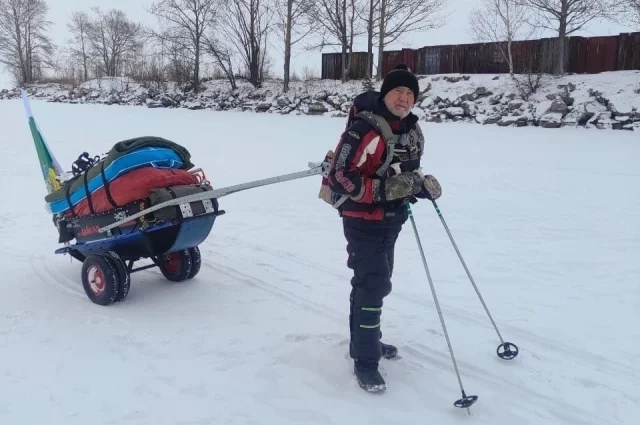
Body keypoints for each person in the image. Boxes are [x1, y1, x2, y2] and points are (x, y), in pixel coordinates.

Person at [325, 64, 442, 392]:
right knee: (373, 284)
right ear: (385, 94)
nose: (404, 99)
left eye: (410, 94)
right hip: (363, 220)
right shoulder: (363, 129)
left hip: (393, 219)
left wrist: (421, 185)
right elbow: (340, 176)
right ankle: (365, 359)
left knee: (373, 282)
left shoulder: (411, 129)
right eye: (398, 92)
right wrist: (386, 191)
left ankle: (364, 342)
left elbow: (407, 171)